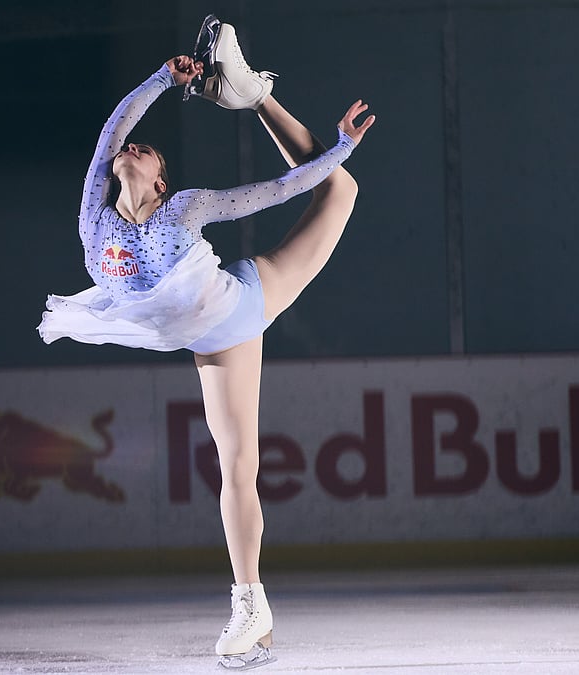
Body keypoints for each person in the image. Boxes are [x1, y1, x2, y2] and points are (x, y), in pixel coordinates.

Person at [38, 15, 374, 671]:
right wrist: (164, 78)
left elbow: (275, 191)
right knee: (235, 467)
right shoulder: (93, 217)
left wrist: (339, 147)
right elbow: (113, 129)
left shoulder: (183, 208)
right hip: (212, 341)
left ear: (161, 181)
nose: (131, 149)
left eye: (146, 152)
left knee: (341, 189)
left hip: (245, 300)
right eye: (132, 150)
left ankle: (257, 97)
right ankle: (254, 606)